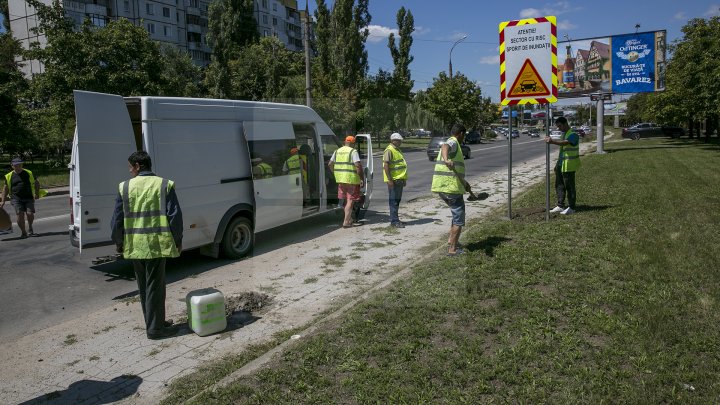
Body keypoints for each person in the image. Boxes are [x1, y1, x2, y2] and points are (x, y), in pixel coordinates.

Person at [111, 151, 183, 340]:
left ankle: (154, 323)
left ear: (138, 166)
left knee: (144, 288)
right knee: (155, 288)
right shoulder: (164, 184)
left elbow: (117, 219)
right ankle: (155, 330)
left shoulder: (124, 187)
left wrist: (119, 242)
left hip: (135, 245)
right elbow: (174, 217)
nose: (129, 171)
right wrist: (178, 241)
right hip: (156, 244)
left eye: (130, 167)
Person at [431, 124, 469, 256]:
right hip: (450, 188)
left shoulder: (455, 144)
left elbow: (456, 170)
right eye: (464, 135)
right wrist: (446, 159)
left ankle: (450, 241)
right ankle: (452, 249)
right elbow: (445, 146)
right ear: (461, 134)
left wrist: (465, 183)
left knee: (455, 215)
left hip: (444, 187)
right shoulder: (452, 141)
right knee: (459, 218)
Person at [328, 135, 365, 228]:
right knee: (350, 201)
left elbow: (330, 164)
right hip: (352, 179)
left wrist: (335, 173)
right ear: (353, 143)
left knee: (345, 200)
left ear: (345, 142)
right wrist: (361, 178)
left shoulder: (337, 151)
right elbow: (358, 166)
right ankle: (346, 222)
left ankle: (350, 219)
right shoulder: (353, 151)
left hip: (341, 179)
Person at [546, 116, 580, 215]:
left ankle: (572, 207)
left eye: (560, 126)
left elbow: (565, 143)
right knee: (559, 186)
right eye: (557, 126)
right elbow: (562, 151)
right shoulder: (564, 134)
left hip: (569, 165)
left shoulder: (573, 134)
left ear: (565, 124)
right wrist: (557, 164)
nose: (559, 128)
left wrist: (552, 141)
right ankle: (560, 205)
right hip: (561, 165)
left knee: (569, 187)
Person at [1, 157, 41, 238]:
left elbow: (37, 183)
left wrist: (37, 193)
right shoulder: (9, 176)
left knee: (29, 214)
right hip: (16, 198)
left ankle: (30, 228)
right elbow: (5, 188)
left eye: (19, 165)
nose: (18, 167)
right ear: (12, 166)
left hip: (28, 197)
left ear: (22, 165)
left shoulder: (29, 172)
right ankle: (23, 232)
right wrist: (3, 201)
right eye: (16, 165)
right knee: (20, 214)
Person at [383, 132, 408, 228]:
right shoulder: (389, 150)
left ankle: (396, 219)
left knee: (397, 200)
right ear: (393, 141)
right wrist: (389, 180)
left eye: (400, 141)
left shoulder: (397, 150)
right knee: (393, 201)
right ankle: (394, 221)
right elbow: (386, 166)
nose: (400, 142)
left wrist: (404, 178)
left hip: (399, 179)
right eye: (398, 141)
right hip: (393, 180)